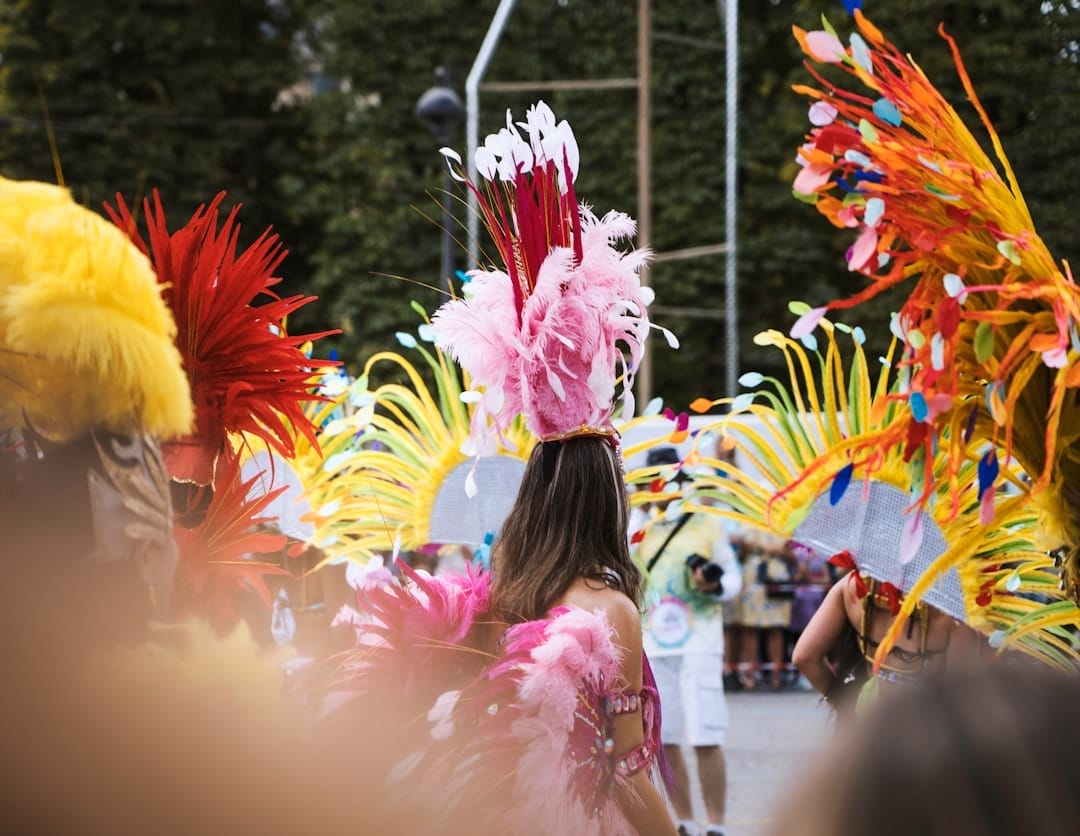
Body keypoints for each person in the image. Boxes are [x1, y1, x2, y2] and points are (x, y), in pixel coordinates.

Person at [309, 100, 678, 834]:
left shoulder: (502, 598)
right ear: (605, 498)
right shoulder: (612, 610)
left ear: (537, 495)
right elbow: (627, 766)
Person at [768, 661, 1080, 836]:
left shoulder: (853, 590)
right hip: (946, 725)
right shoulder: (947, 610)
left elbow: (806, 654)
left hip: (879, 716)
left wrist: (845, 700)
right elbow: (961, 668)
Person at [634, 446, 742, 836]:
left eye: (668, 479)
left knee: (705, 735)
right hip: (654, 643)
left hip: (700, 640)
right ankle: (684, 823)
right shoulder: (637, 528)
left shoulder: (707, 524)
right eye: (654, 481)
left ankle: (717, 826)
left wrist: (713, 585)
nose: (662, 488)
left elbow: (732, 578)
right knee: (665, 738)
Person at [792, 562, 980, 718]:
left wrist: (844, 704)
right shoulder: (953, 607)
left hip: (869, 717)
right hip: (927, 727)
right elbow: (961, 689)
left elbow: (804, 657)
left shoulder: (852, 585)